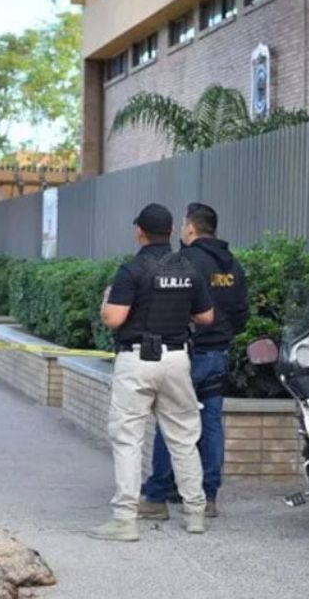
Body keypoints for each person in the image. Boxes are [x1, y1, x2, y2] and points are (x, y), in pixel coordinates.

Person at [91, 203, 215, 542]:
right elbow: (206, 317)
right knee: (184, 438)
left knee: (129, 438)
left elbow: (114, 319)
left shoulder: (131, 270)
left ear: (139, 231)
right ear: (172, 231)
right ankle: (195, 514)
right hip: (177, 360)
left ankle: (125, 520)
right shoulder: (189, 269)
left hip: (137, 361)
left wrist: (106, 303)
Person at [140, 203, 249, 520]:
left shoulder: (185, 261)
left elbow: (168, 305)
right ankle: (208, 496)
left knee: (170, 421)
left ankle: (158, 495)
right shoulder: (232, 266)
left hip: (189, 353)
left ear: (190, 228)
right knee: (212, 424)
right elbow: (242, 312)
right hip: (219, 353)